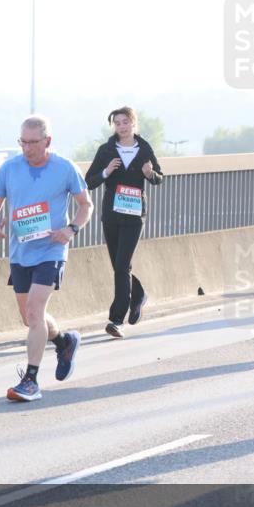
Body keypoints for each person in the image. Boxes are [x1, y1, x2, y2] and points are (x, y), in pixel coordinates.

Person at [0, 116, 93, 402]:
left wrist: (71, 230)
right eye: (23, 141)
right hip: (21, 252)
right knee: (30, 318)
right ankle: (64, 341)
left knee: (35, 309)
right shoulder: (10, 168)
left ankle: (30, 381)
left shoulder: (64, 168)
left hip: (51, 250)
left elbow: (86, 204)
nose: (27, 148)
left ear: (47, 141)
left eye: (33, 142)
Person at [85, 106, 164, 338]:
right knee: (120, 266)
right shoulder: (106, 150)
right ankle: (138, 294)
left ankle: (116, 320)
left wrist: (150, 174)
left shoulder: (144, 148)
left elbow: (159, 177)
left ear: (133, 123)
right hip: (111, 215)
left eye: (125, 122)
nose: (121, 126)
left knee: (121, 266)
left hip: (134, 215)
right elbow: (89, 182)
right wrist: (106, 172)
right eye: (117, 123)